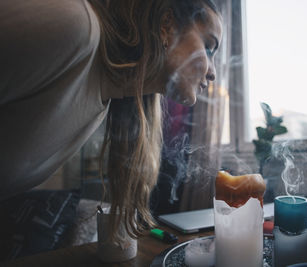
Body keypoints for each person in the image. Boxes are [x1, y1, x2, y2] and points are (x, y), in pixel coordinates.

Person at [0, 0, 222, 239]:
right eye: (208, 47)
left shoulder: (105, 100)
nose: (213, 72)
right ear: (166, 25)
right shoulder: (75, 29)